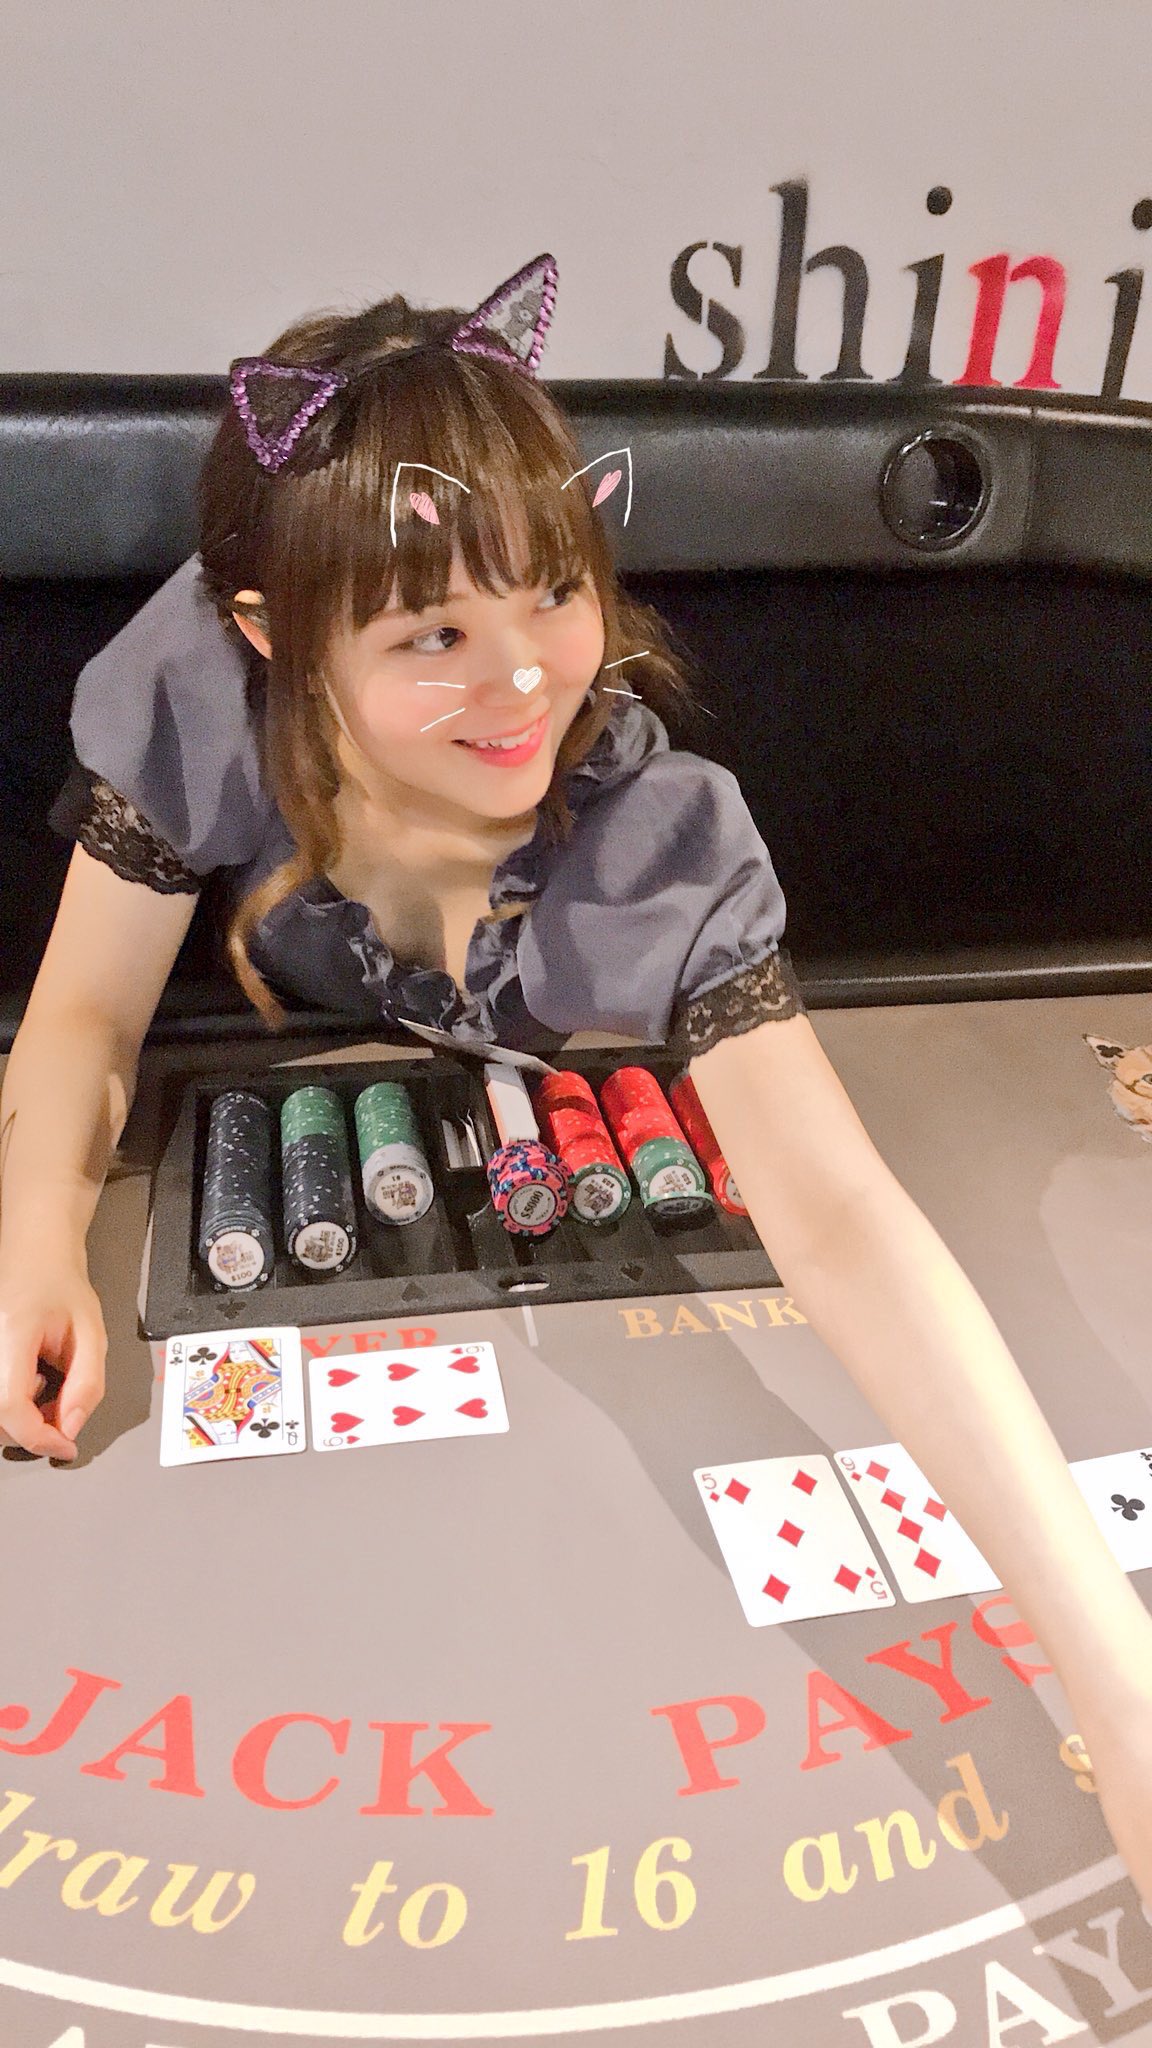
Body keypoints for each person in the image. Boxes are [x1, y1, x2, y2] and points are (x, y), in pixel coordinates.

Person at [2, 252, 1151, 1901]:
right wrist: (35, 1233)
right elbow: (85, 1019)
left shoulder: (656, 834)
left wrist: (1120, 1689)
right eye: (434, 633)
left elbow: (840, 1217)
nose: (527, 677)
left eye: (553, 590)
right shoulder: (198, 687)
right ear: (271, 637)